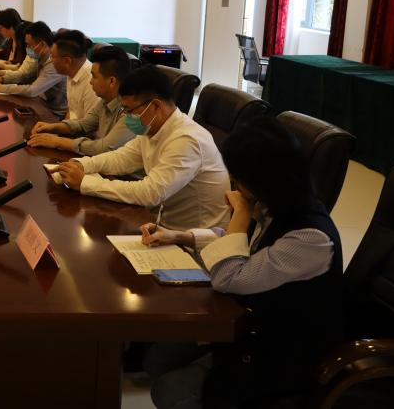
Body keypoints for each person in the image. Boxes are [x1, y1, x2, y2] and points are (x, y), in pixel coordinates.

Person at [141, 116, 344, 409]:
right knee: (157, 359)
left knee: (168, 392)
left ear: (260, 181)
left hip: (282, 350)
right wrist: (180, 236)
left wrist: (241, 211)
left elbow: (230, 276)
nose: (233, 186)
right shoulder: (278, 202)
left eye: (237, 179)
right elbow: (243, 242)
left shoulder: (310, 237)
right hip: (249, 320)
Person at [56, 65, 229, 230]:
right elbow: (121, 158)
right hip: (162, 225)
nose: (127, 117)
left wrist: (85, 183)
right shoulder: (153, 129)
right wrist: (81, 165)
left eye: (129, 110)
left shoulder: (187, 140)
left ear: (155, 105)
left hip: (195, 240)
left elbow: (150, 193)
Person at [28, 45, 134, 155]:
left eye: (94, 77)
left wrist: (58, 142)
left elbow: (103, 148)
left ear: (111, 81)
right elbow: (83, 125)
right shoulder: (105, 101)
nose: (91, 82)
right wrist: (52, 127)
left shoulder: (131, 112)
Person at [0, 21, 66, 116]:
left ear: (42, 44)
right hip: (41, 103)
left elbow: (32, 91)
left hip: (54, 113)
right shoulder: (41, 56)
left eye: (29, 45)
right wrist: (2, 79)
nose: (27, 48)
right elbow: (25, 76)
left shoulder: (54, 63)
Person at [49, 29, 99, 121]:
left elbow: (90, 126)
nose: (50, 60)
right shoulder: (71, 73)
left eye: (52, 56)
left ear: (67, 61)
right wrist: (58, 127)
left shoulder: (92, 82)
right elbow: (71, 112)